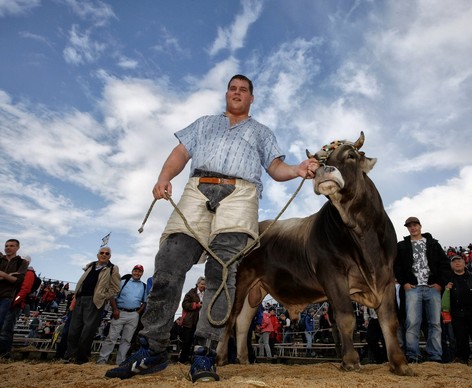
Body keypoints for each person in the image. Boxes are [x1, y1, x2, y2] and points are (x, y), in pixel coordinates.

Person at [105, 74, 318, 382]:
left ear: (251, 98)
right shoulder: (205, 122)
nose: (237, 92)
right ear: (226, 93)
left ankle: (205, 354)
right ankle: (152, 348)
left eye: (243, 90)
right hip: (197, 188)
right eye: (232, 88)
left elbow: (274, 167)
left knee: (223, 271)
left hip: (241, 194)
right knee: (169, 261)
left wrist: (298, 169)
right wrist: (164, 177)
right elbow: (180, 153)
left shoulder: (261, 132)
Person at [394, 217, 452, 363]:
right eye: (409, 226)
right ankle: (413, 356)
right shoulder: (401, 245)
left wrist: (440, 283)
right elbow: (397, 266)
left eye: (415, 225)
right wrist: (404, 282)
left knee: (435, 323)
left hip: (432, 287)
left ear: (420, 226)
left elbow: (445, 264)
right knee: (412, 323)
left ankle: (435, 356)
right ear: (407, 228)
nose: (412, 228)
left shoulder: (433, 244)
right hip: (413, 288)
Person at [65, 246, 121, 364]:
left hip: (94, 301)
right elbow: (82, 283)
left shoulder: (112, 268)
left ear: (110, 256)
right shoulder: (90, 266)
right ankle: (71, 356)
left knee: (87, 332)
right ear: (98, 255)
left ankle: (81, 359)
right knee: (73, 330)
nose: (104, 255)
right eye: (102, 253)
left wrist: (102, 296)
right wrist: (75, 299)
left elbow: (115, 288)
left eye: (107, 253)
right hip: (81, 299)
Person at [97, 264, 147, 365]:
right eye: (135, 270)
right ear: (132, 271)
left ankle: (120, 362)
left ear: (142, 273)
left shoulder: (143, 286)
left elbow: (145, 302)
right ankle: (102, 360)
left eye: (139, 271)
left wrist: (137, 313)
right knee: (111, 337)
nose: (137, 273)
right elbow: (112, 296)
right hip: (120, 312)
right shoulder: (123, 282)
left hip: (133, 314)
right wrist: (115, 309)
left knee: (127, 340)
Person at [446, 255, 472, 364]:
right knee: (461, 338)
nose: (457, 263)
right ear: (451, 265)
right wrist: (447, 290)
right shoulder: (448, 280)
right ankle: (463, 359)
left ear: (464, 263)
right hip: (458, 314)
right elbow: (445, 300)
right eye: (454, 262)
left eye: (459, 261)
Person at [0, 254, 33, 357]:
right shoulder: (17, 271)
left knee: (6, 329)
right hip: (8, 300)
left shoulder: (28, 273)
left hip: (13, 304)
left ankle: (4, 353)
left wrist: (14, 302)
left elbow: (24, 290)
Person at [0, 240, 28, 332]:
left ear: (17, 248)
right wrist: (10, 276)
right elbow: (13, 278)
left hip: (6, 296)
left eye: (11, 246)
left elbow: (18, 280)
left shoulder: (21, 262)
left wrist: (3, 275)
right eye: (6, 246)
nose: (8, 248)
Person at [178, 276, 205, 364]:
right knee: (187, 341)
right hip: (190, 321)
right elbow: (184, 304)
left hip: (201, 322)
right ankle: (183, 360)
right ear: (198, 284)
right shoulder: (191, 292)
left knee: (198, 342)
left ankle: (194, 360)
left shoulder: (207, 294)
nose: (203, 286)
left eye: (205, 284)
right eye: (202, 284)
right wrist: (195, 305)